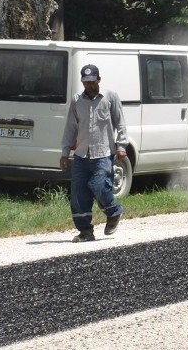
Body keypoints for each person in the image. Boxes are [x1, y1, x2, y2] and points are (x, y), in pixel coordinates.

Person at [60, 63, 128, 242]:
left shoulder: (110, 97)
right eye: (85, 81)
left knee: (99, 186)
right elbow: (70, 127)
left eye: (92, 81)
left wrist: (121, 147)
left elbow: (120, 123)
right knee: (78, 194)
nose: (89, 85)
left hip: (103, 153)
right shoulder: (77, 100)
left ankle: (113, 213)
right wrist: (65, 152)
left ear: (99, 79)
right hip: (81, 155)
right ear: (82, 82)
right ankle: (85, 232)